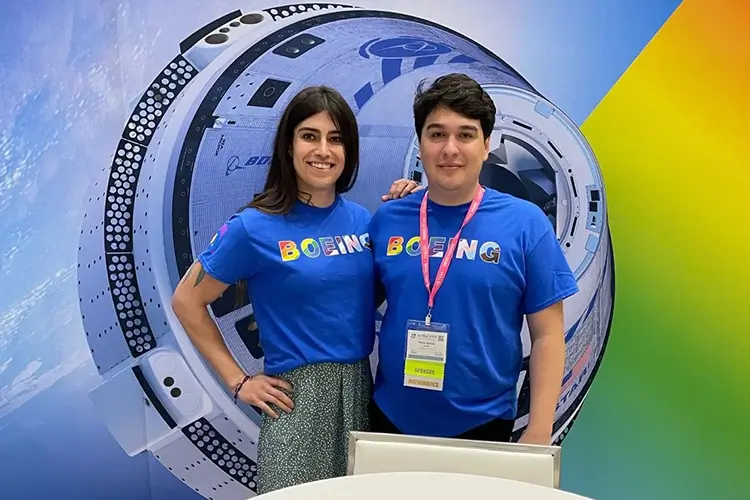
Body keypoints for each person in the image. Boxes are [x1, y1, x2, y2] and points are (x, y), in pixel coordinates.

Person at [170, 85, 420, 494]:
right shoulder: (253, 227)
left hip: (360, 393)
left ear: (349, 151)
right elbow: (186, 301)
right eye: (310, 136)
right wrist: (238, 381)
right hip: (296, 403)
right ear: (288, 146)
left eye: (336, 139)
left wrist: (404, 208)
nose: (323, 150)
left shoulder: (362, 221)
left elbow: (367, 296)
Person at [368, 73, 579, 445]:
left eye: (465, 135)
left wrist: (540, 429)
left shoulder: (526, 224)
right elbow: (349, 305)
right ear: (420, 145)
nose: (450, 148)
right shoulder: (388, 220)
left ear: (486, 146)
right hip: (390, 420)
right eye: (437, 134)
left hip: (483, 427)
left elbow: (547, 335)